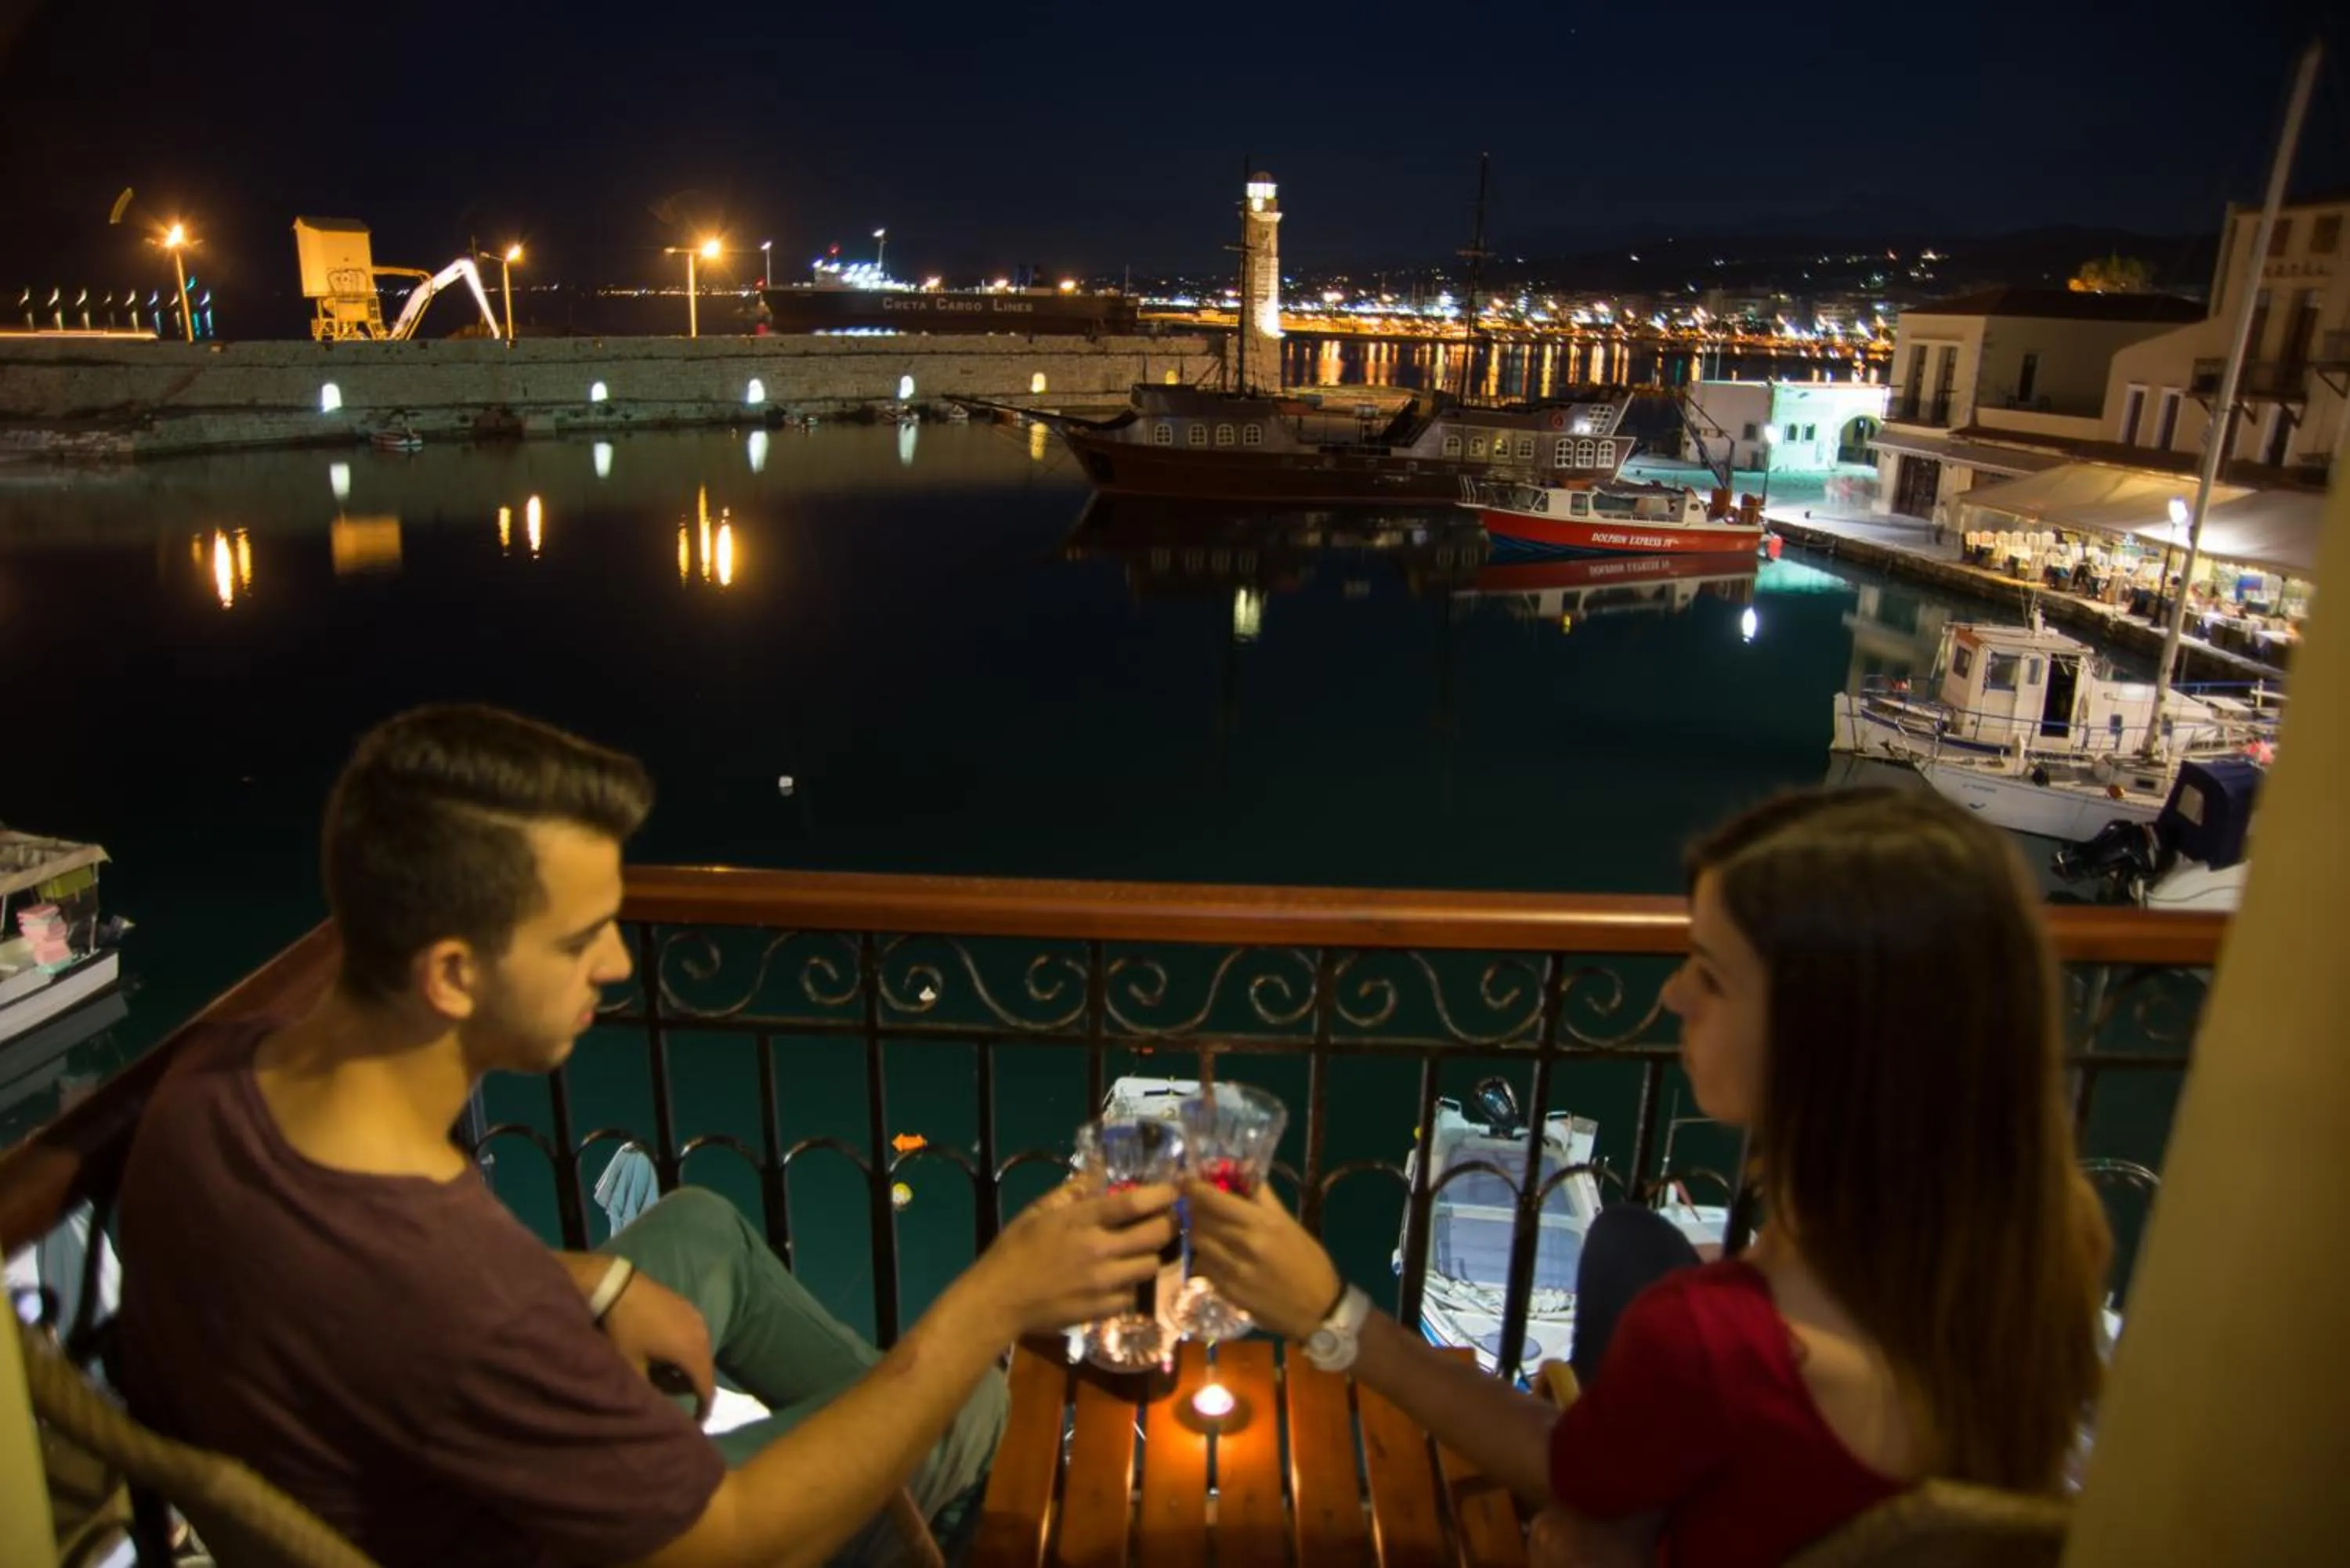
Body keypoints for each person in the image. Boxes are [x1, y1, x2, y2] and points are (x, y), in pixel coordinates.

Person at [114, 705, 1177, 1568]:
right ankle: (935, 1496)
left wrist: (600, 1280)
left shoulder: (216, 1079)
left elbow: (369, 1287)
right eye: (581, 939)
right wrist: (987, 1301)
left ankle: (888, 1450)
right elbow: (728, 1539)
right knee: (969, 1393)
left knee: (703, 1227)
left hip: (374, 1463)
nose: (619, 963)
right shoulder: (471, 1299)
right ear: (451, 973)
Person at [1188, 786, 2110, 1567]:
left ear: (1823, 1039)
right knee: (1628, 1237)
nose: (1672, 993)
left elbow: (1567, 1470)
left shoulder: (1718, 1339)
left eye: (1709, 973)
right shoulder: (2048, 1237)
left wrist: (1334, 1315)